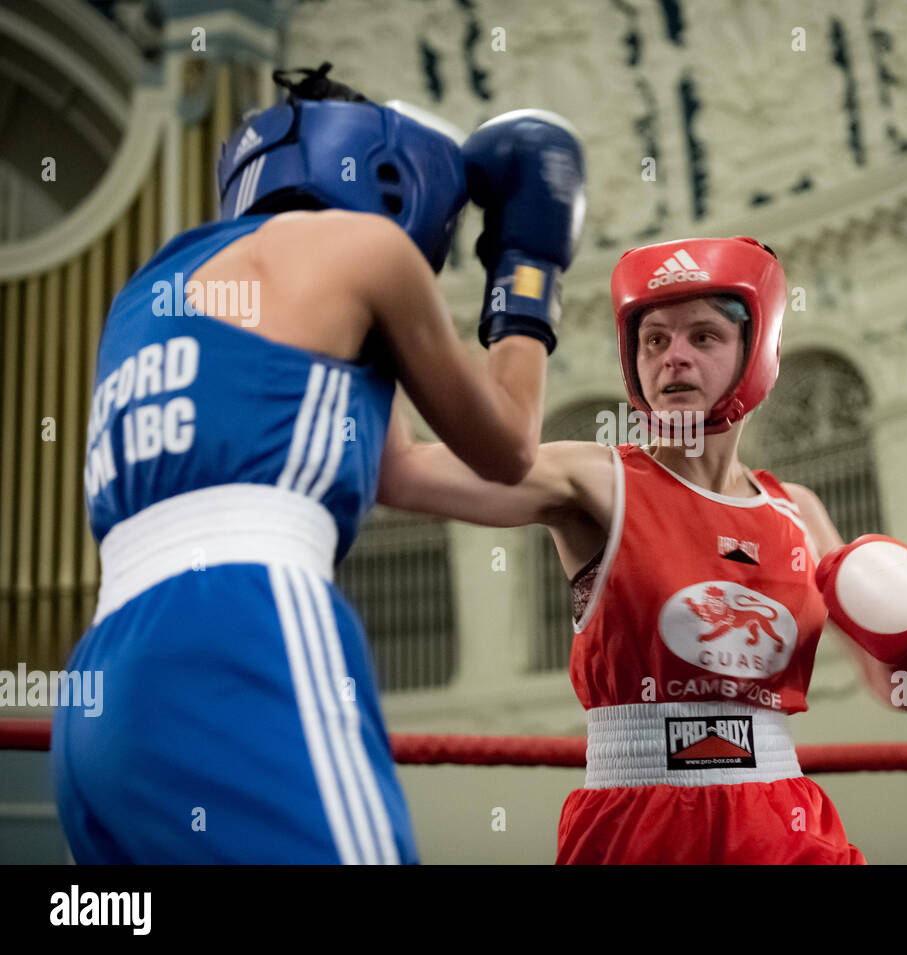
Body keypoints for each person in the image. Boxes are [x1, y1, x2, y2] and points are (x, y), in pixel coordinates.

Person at [50, 63, 585, 863]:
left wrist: (582, 485)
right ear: (393, 170)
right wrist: (528, 267)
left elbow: (394, 471)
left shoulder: (147, 288)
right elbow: (507, 445)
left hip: (99, 685)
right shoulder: (364, 247)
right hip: (241, 620)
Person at [378, 236, 907, 864]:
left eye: (703, 337)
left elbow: (899, 694)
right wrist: (377, 289)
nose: (673, 358)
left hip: (783, 822)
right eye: (654, 339)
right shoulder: (595, 482)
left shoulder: (797, 511)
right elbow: (402, 474)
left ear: (756, 352)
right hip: (637, 818)